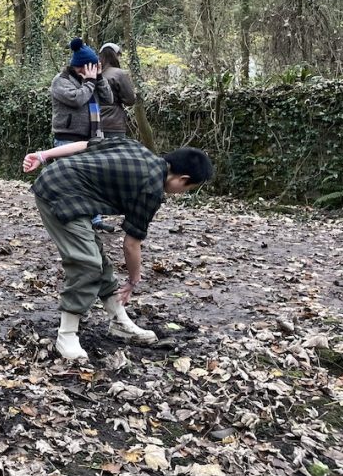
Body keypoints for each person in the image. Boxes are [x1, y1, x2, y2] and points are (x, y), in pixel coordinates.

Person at [22, 138, 213, 361]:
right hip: (58, 193)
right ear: (182, 180)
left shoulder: (135, 147)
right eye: (188, 189)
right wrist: (133, 280)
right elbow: (131, 244)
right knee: (86, 263)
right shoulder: (151, 190)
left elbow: (85, 145)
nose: (183, 192)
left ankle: (119, 322)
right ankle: (66, 335)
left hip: (68, 187)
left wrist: (44, 154)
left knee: (97, 259)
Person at [50, 37, 116, 232]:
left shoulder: (93, 79)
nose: (90, 71)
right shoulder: (60, 81)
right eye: (87, 67)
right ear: (79, 66)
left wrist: (100, 79)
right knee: (68, 182)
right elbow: (77, 99)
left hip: (93, 137)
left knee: (93, 181)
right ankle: (65, 219)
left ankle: (95, 221)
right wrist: (89, 82)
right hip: (67, 138)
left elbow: (109, 98)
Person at [99, 42, 137, 138]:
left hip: (95, 123)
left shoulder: (94, 75)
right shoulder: (119, 74)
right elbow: (130, 100)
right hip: (114, 123)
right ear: (115, 56)